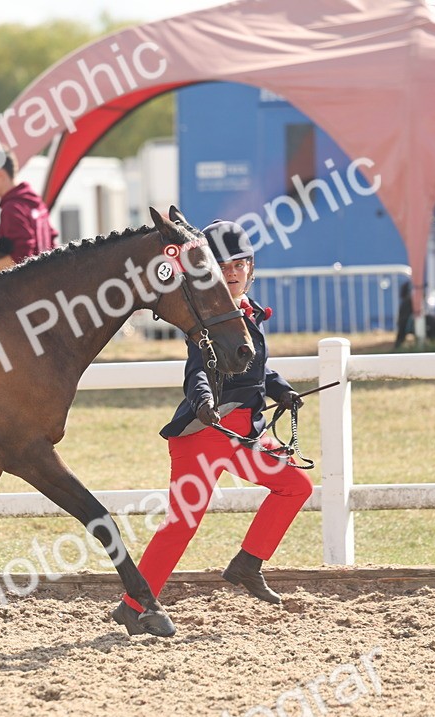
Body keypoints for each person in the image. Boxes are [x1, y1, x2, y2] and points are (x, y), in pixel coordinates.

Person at [112, 219, 314, 634]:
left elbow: (255, 369)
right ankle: (135, 606)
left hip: (242, 434)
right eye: (225, 265)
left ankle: (247, 563)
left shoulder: (248, 315)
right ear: (210, 273)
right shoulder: (203, 321)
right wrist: (202, 401)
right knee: (182, 524)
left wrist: (283, 391)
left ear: (251, 268)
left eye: (241, 263)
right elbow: (197, 372)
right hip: (204, 435)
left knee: (296, 486)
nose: (235, 271)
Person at [0, 150, 58, 274]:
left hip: (29, 287)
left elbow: (22, 259)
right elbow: (52, 244)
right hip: (49, 280)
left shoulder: (12, 208)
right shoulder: (34, 201)